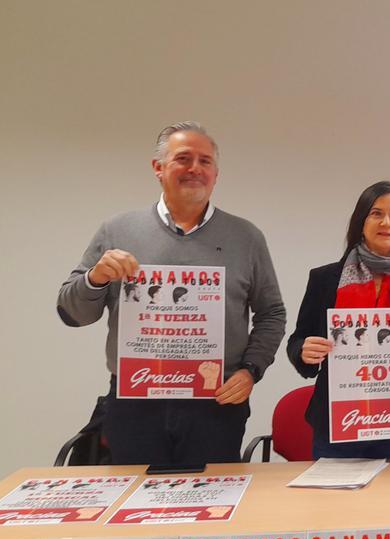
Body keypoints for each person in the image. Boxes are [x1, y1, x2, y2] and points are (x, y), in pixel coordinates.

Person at [57, 122, 287, 465]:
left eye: (205, 161)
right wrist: (97, 277)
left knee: (212, 508)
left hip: (216, 405)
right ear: (158, 168)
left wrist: (251, 370)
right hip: (135, 402)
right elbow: (72, 313)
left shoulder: (246, 237)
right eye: (183, 158)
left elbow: (272, 314)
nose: (195, 169)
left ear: (216, 174)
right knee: (135, 510)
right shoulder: (118, 230)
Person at [287, 181, 390, 458]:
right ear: (361, 221)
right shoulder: (324, 279)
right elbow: (298, 339)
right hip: (338, 421)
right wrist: (303, 351)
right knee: (336, 501)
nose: (386, 222)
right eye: (376, 213)